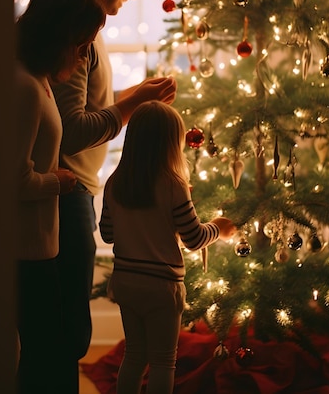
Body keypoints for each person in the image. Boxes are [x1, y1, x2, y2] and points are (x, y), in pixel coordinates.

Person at [52, 0, 177, 391]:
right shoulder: (75, 25)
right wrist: (131, 103)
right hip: (66, 195)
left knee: (67, 328)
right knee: (66, 331)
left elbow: (84, 108)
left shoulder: (88, 25)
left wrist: (137, 97)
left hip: (75, 194)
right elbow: (72, 129)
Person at [99, 100, 236, 394]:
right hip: (162, 287)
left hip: (126, 282)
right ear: (170, 144)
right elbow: (194, 238)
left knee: (134, 356)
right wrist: (220, 229)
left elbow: (107, 234)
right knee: (163, 361)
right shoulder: (173, 185)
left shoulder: (114, 183)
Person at [15, 0, 105, 394]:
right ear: (60, 35)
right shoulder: (24, 88)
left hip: (40, 246)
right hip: (25, 248)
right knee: (43, 359)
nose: (86, 53)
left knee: (50, 351)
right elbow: (10, 180)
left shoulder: (41, 79)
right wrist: (58, 181)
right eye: (82, 43)